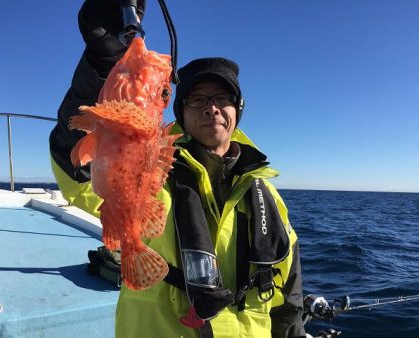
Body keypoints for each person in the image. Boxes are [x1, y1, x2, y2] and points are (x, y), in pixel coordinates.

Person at [49, 1, 307, 337]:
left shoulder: (266, 194)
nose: (211, 109)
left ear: (236, 110)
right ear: (180, 112)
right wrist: (99, 63)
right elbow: (77, 175)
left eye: (223, 98)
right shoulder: (160, 172)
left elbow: (288, 287)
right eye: (197, 100)